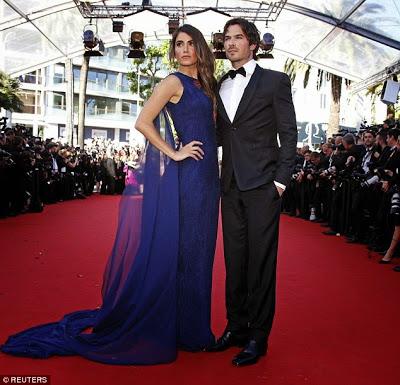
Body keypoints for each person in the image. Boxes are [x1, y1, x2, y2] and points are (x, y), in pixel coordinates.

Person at [1, 24, 219, 365]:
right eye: (179, 44)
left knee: (200, 253)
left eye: (192, 43)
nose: (186, 49)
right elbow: (143, 121)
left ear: (201, 48)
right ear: (174, 51)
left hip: (209, 179)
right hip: (189, 176)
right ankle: (188, 332)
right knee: (186, 253)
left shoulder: (206, 85)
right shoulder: (173, 82)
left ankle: (190, 326)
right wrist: (174, 152)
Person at [206, 18, 297, 366]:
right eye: (226, 38)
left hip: (262, 186)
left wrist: (281, 180)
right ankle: (236, 327)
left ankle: (259, 336)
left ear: (253, 44)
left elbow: (289, 133)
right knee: (234, 262)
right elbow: (220, 134)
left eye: (238, 38)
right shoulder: (219, 84)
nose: (230, 44)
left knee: (260, 264)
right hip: (229, 186)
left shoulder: (275, 81)